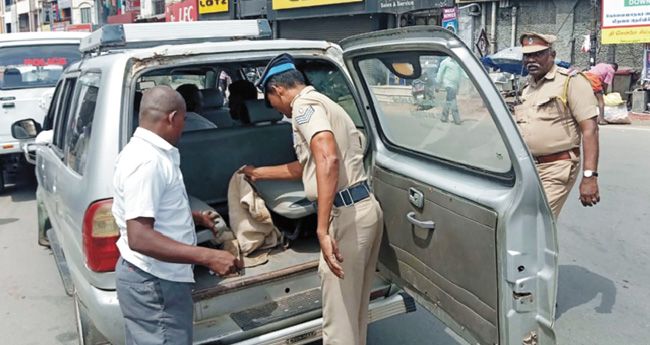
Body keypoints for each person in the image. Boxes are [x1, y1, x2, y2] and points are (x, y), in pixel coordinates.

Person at [240, 54, 383, 345]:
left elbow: (328, 159)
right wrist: (259, 173)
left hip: (345, 218)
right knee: (353, 318)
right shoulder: (326, 104)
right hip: (362, 209)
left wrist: (321, 230)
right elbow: (311, 164)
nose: (276, 110)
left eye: (271, 102)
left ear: (277, 90)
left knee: (339, 325)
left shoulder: (304, 106)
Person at [112, 85, 240, 345]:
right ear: (171, 118)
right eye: (184, 119)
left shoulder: (151, 153)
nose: (185, 125)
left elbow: (152, 210)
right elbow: (140, 237)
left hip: (155, 277)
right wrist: (209, 256)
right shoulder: (147, 161)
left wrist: (193, 217)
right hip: (154, 281)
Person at [514, 32, 600, 218]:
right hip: (527, 168)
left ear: (551, 55)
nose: (531, 60)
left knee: (538, 223)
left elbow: (590, 129)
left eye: (538, 54)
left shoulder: (570, 81)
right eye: (527, 55)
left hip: (557, 167)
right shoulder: (528, 87)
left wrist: (589, 176)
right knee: (519, 221)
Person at [435, 56, 462, 124]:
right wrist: (438, 84)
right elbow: (440, 73)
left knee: (448, 100)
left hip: (455, 85)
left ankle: (444, 117)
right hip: (448, 84)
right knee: (453, 100)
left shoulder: (457, 63)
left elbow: (461, 73)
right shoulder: (445, 62)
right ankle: (456, 119)